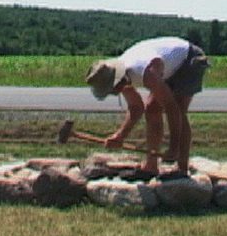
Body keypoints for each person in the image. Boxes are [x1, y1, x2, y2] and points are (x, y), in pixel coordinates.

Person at [85, 36, 210, 177]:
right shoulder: (120, 75)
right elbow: (136, 108)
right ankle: (151, 166)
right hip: (165, 67)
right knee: (152, 109)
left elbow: (171, 107)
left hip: (188, 60)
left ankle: (182, 168)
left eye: (111, 90)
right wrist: (120, 136)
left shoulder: (145, 71)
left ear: (117, 82)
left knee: (180, 110)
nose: (113, 93)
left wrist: (173, 147)